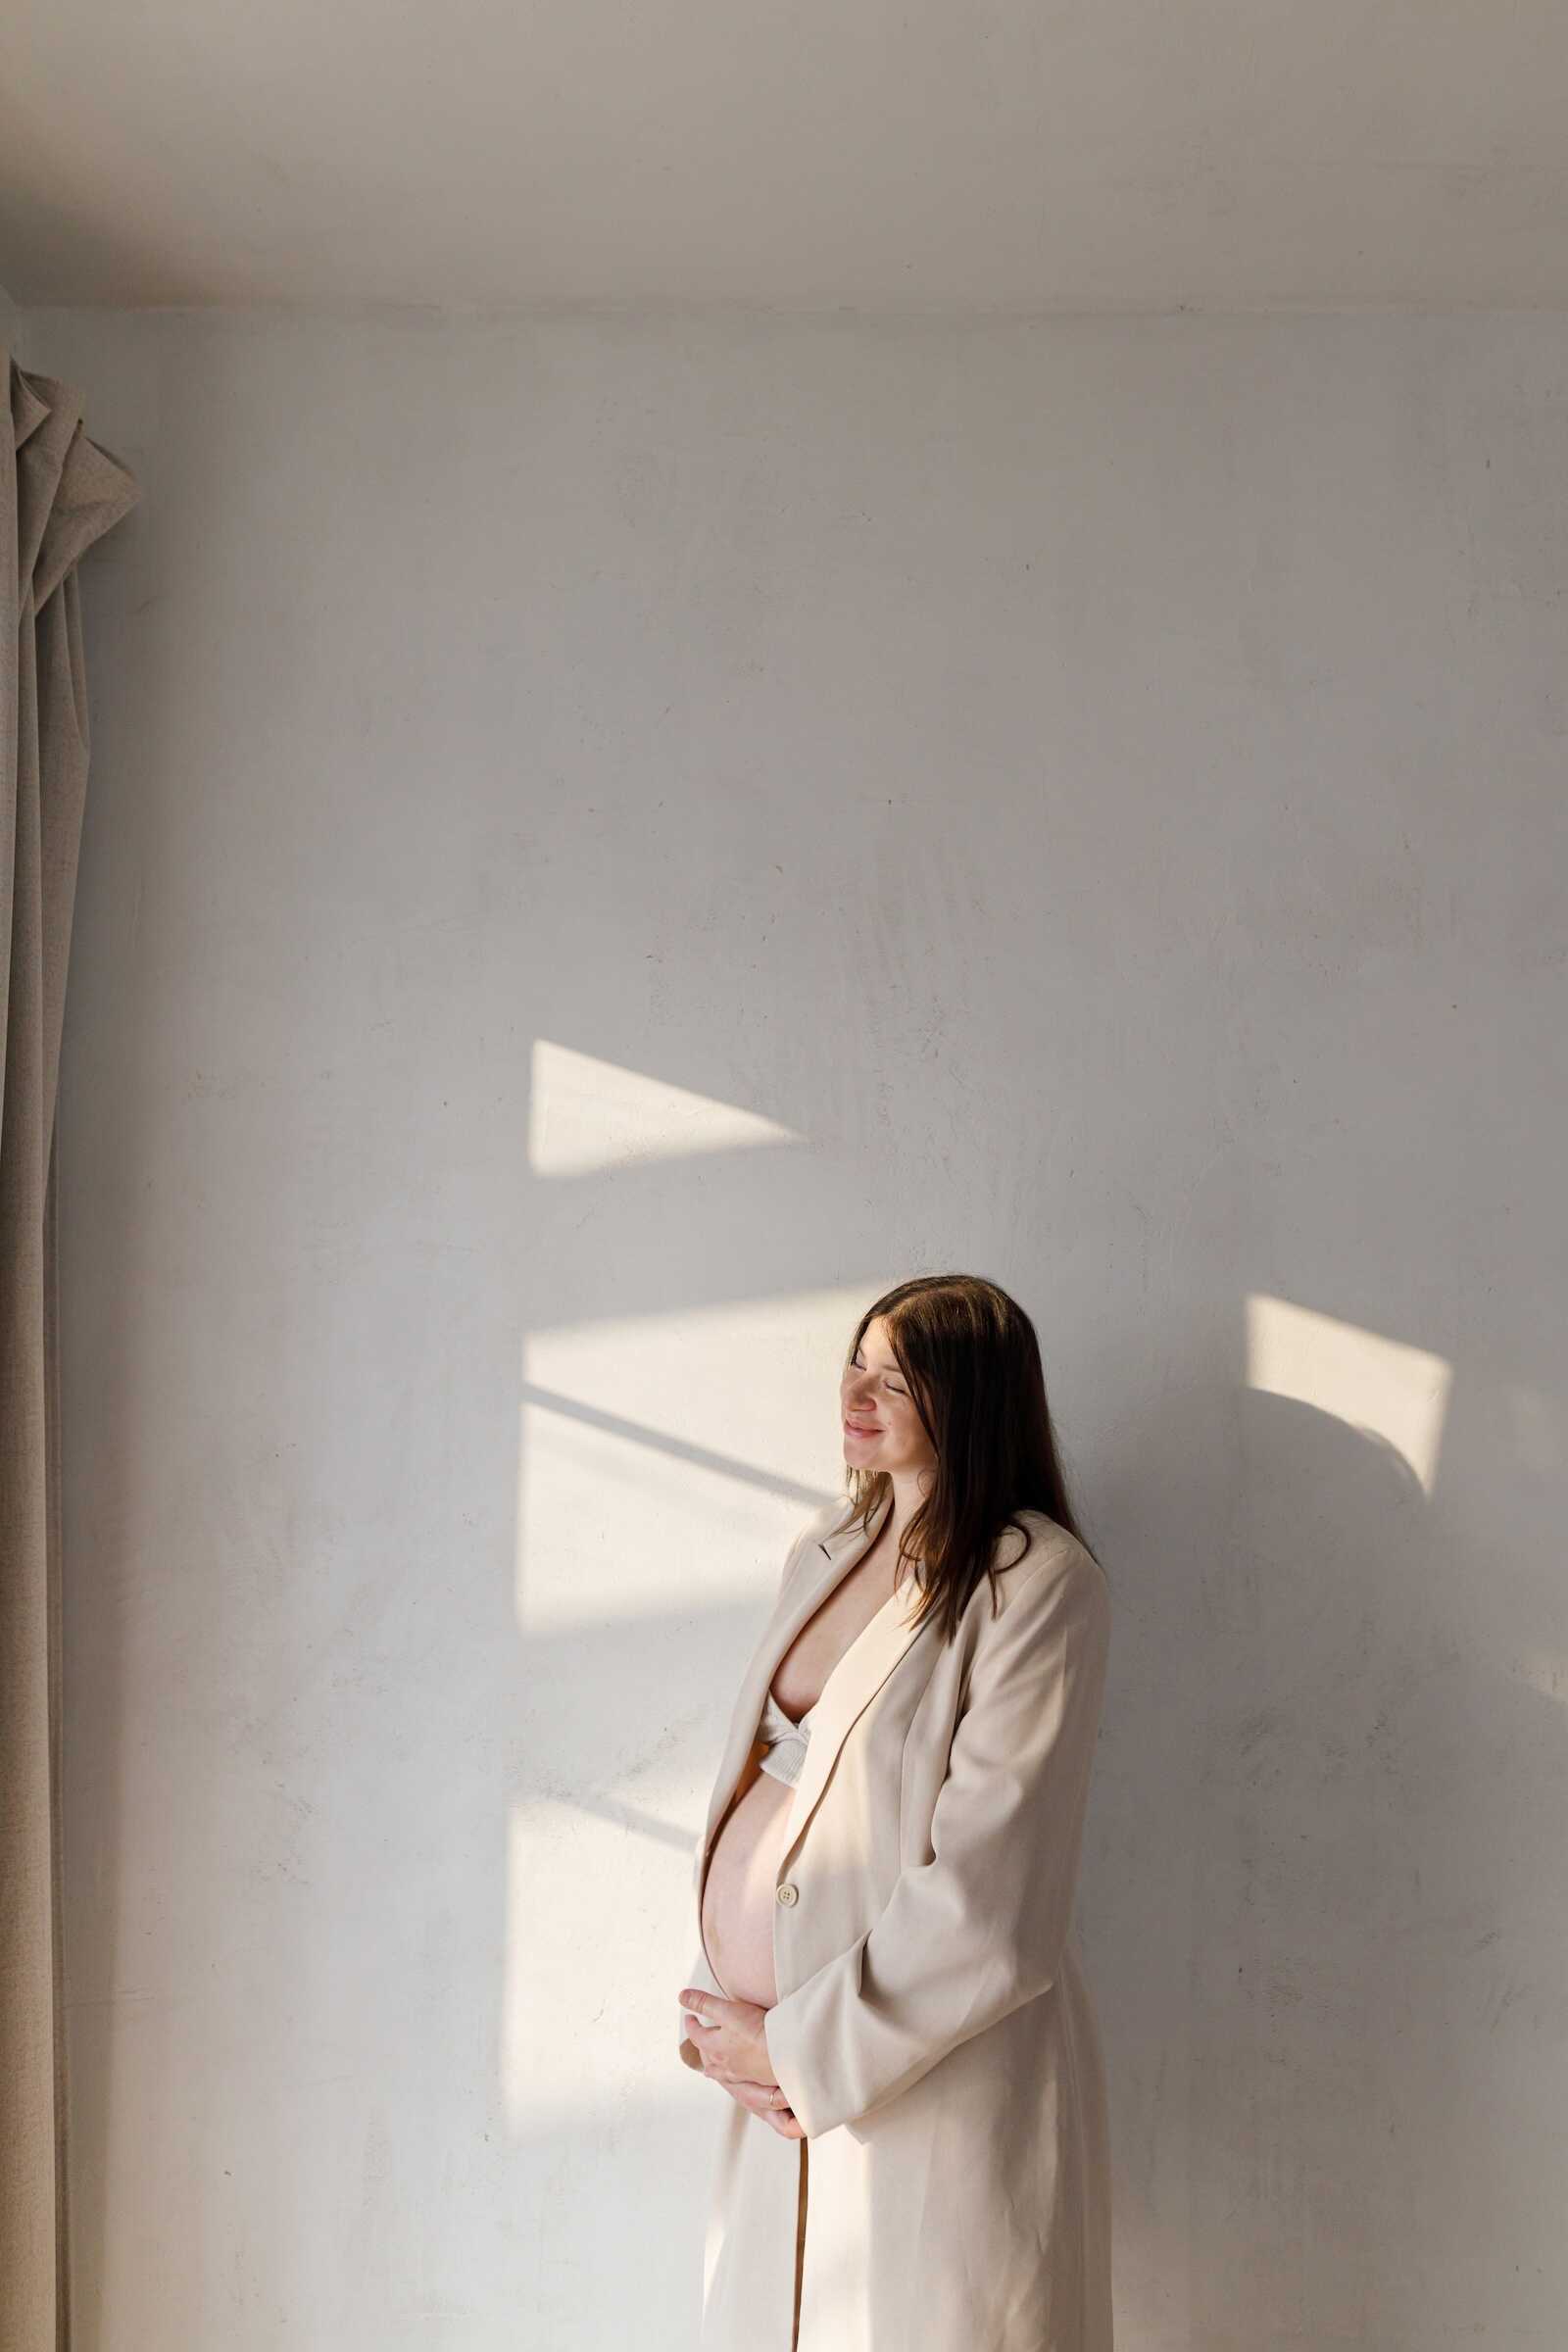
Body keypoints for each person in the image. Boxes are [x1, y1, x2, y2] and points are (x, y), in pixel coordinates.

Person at [676, 1272, 1115, 2351]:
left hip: (922, 2079)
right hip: (776, 2085)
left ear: (970, 1399)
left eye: (898, 1379)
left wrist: (796, 2048)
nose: (856, 1395)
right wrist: (728, 2023)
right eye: (856, 1364)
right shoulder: (827, 1547)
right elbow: (768, 1789)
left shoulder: (1035, 1582)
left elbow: (993, 1899)